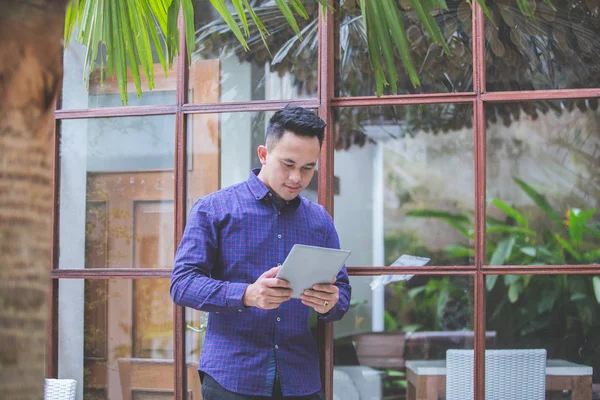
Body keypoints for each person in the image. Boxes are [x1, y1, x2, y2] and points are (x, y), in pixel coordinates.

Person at [170, 105, 351, 399]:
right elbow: (182, 284)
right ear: (264, 155)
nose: (296, 178)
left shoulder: (320, 220)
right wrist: (247, 295)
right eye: (287, 164)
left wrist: (329, 302)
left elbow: (341, 295)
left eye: (307, 168)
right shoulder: (214, 209)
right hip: (232, 377)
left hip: (301, 380)